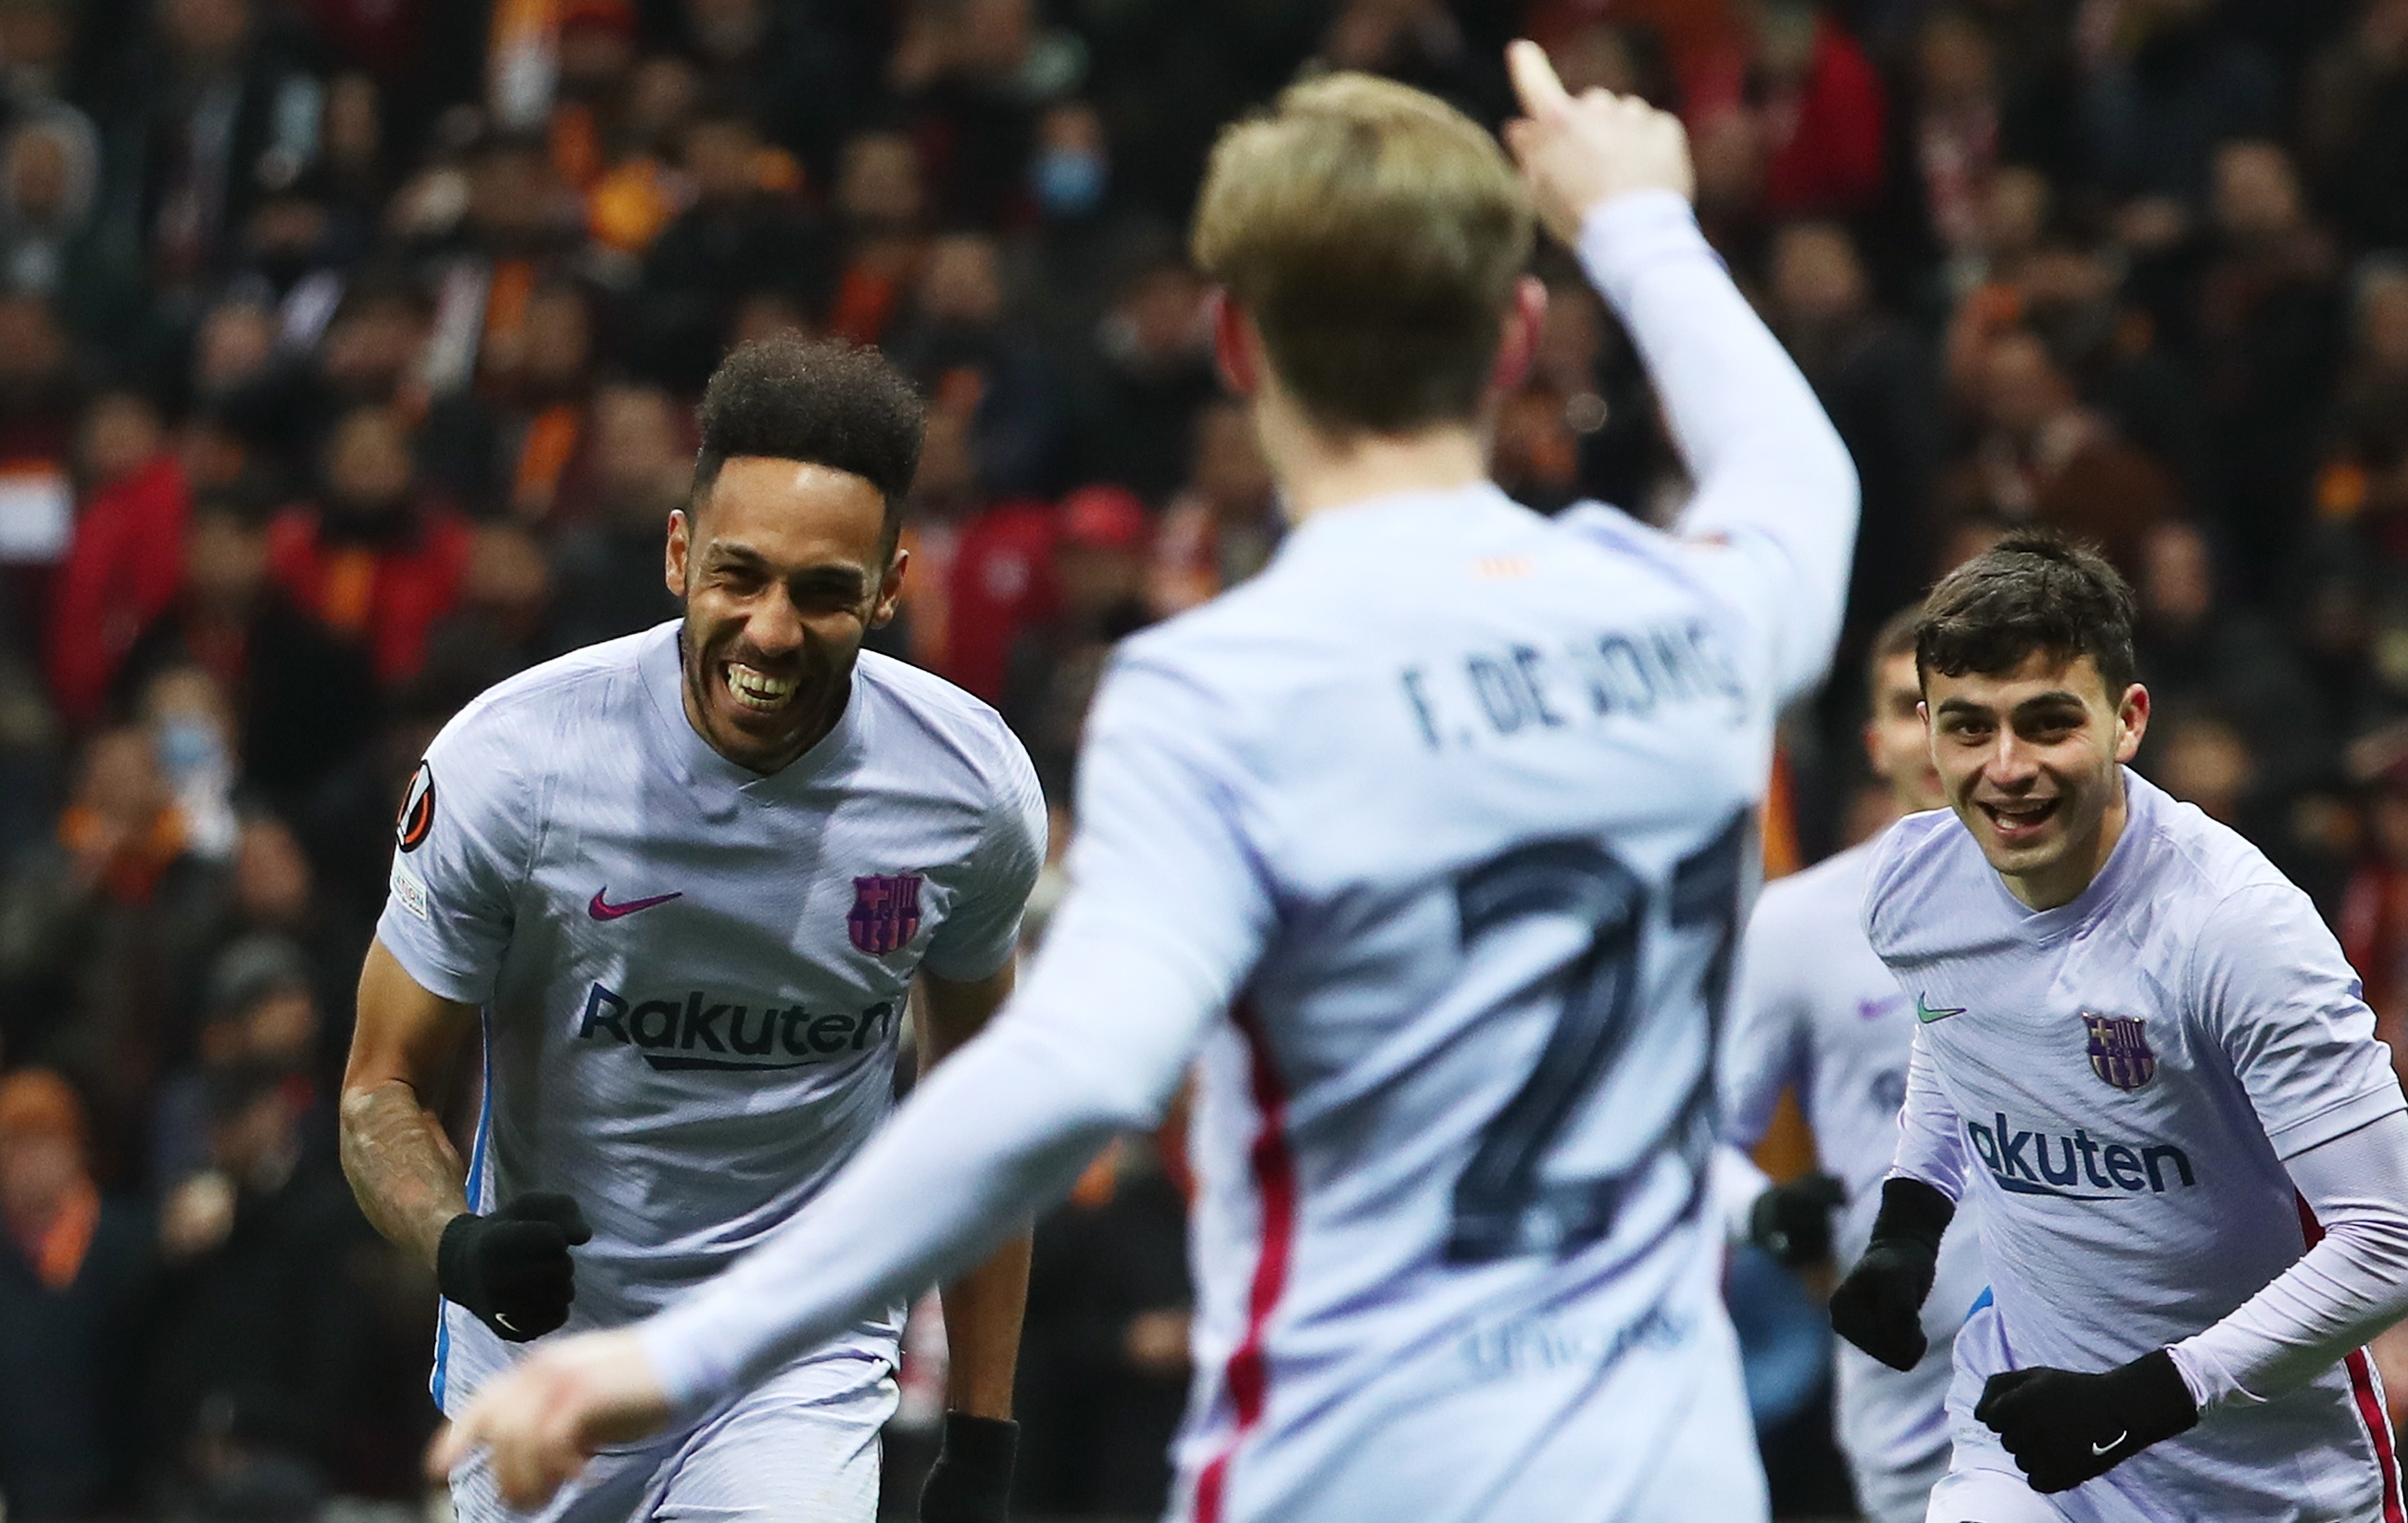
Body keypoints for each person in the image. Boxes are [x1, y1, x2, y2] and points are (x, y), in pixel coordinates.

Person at [435, 47, 1859, 1523]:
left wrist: (680, 1351)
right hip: (1669, 1476)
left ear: (1235, 347)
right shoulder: (1695, 621)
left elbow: (1066, 1074)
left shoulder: (1228, 689)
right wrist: (1640, 222)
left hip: (1355, 1469)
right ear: (1516, 337)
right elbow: (1802, 480)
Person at [338, 336, 1045, 1523]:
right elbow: (379, 1090)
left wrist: (981, 1437)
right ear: (678, 555)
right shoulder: (512, 766)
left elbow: (989, 1116)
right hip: (545, 1361)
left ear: (889, 586)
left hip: (793, 1359)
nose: (771, 631)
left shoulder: (967, 793)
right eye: (739, 576)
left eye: (823, 591)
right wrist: (456, 1244)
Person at [1827, 531, 2408, 1521]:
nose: (2004, 769)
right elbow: (1956, 1023)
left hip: (2261, 1479)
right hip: (2024, 1448)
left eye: (2045, 723)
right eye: (1968, 728)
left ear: (2125, 720)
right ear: (1926, 733)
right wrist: (1908, 1220)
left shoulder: (2231, 927)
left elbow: (2388, 1238)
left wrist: (2147, 1398)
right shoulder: (1913, 883)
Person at [1720, 603, 1985, 1523]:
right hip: (1916, 1404)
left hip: (2115, 1370)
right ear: (1874, 742)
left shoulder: (2122, 902)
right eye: (1908, 708)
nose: (1935, 732)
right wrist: (1755, 1206)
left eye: (1956, 705)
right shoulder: (1795, 928)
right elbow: (1699, 1139)